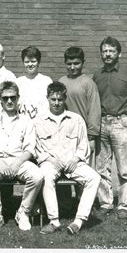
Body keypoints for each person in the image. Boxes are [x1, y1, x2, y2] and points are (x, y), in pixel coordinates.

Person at [34, 82, 100, 235]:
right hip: (50, 163)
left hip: (73, 163)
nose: (56, 103)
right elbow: (36, 148)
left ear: (65, 99)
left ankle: (79, 221)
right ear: (47, 98)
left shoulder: (76, 120)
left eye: (60, 99)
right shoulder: (38, 121)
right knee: (46, 176)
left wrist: (76, 159)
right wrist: (49, 159)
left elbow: (83, 145)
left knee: (94, 178)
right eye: (53, 99)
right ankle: (54, 220)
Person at [93, 36, 127, 219]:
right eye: (105, 51)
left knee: (124, 168)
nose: (107, 54)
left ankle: (124, 206)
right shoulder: (97, 75)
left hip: (122, 122)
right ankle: (106, 203)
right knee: (102, 167)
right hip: (102, 124)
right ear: (101, 53)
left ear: (118, 53)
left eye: (111, 51)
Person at [0, 81, 43, 231]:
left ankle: (23, 213)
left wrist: (17, 163)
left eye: (13, 97)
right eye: (5, 98)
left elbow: (30, 148)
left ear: (18, 98)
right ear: (0, 99)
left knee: (37, 176)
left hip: (19, 160)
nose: (9, 101)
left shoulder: (26, 120)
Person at [59, 46, 101, 166]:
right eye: (69, 63)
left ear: (83, 63)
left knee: (83, 168)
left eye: (76, 63)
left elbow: (94, 110)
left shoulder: (88, 83)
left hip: (83, 134)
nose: (72, 67)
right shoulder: (61, 81)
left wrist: (91, 136)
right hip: (65, 133)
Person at [16, 46, 52, 119]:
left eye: (33, 61)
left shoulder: (46, 81)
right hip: (24, 123)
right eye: (27, 62)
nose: (30, 64)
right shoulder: (18, 82)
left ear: (38, 62)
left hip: (42, 123)